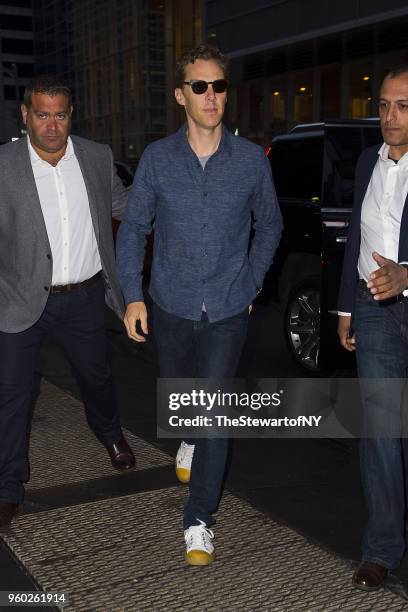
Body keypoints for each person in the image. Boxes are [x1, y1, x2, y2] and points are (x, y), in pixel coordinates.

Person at [116, 44, 282, 565]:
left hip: (229, 307)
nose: (212, 96)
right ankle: (187, 432)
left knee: (214, 414)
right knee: (182, 397)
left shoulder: (252, 160)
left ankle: (199, 520)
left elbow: (270, 226)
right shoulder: (158, 160)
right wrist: (133, 296)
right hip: (172, 302)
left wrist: (251, 284)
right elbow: (136, 227)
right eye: (200, 86)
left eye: (219, 86)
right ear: (181, 96)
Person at [0, 75, 135, 529]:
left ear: (70, 114)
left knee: (96, 378)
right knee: (12, 396)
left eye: (60, 114)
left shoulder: (95, 158)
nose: (52, 125)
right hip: (18, 299)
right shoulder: (3, 164)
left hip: (83, 298)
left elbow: (125, 207)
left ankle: (110, 433)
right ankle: (8, 485)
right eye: (42, 114)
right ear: (25, 115)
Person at [338, 66, 408, 590]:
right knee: (381, 432)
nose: (390, 117)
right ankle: (382, 547)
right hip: (373, 310)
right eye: (383, 105)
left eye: (403, 106)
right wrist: (345, 308)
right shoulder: (367, 161)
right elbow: (356, 237)